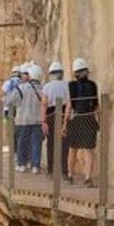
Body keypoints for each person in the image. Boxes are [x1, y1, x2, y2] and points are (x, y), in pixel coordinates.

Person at [6, 62, 45, 172]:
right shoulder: (43, 89)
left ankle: (22, 164)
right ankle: (35, 166)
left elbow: (9, 101)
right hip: (37, 120)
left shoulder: (21, 88)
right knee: (36, 143)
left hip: (23, 120)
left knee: (22, 143)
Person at [66, 57, 99, 185]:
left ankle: (69, 174)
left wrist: (65, 122)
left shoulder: (72, 86)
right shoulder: (92, 85)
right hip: (89, 117)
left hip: (76, 118)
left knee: (73, 148)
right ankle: (87, 177)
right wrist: (98, 119)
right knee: (88, 149)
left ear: (75, 73)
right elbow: (96, 104)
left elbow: (69, 105)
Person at [42, 61, 71, 178]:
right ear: (61, 73)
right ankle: (64, 171)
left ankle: (50, 170)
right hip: (63, 113)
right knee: (64, 144)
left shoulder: (47, 87)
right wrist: (66, 118)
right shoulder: (67, 85)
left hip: (50, 115)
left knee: (51, 143)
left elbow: (44, 104)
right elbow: (69, 102)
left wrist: (43, 120)